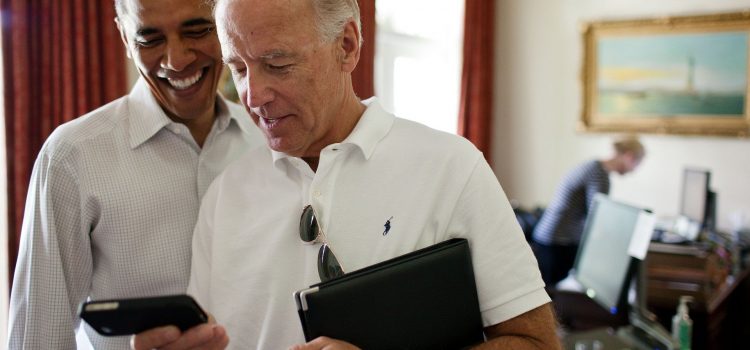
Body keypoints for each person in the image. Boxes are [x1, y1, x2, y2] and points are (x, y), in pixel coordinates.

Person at [133, 0, 561, 349]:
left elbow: (535, 343)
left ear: (348, 45)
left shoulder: (451, 167)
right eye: (239, 68)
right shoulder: (225, 195)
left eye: (278, 63)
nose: (254, 96)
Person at [6, 0, 263, 348]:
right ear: (124, 38)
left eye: (196, 30)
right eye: (150, 39)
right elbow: (37, 338)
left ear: (225, 25)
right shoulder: (71, 158)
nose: (177, 59)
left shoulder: (268, 139)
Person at [531, 136, 645, 287]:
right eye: (636, 164)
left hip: (551, 236)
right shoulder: (599, 174)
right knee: (555, 294)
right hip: (557, 241)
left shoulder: (594, 167)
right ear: (629, 156)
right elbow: (599, 217)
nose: (634, 170)